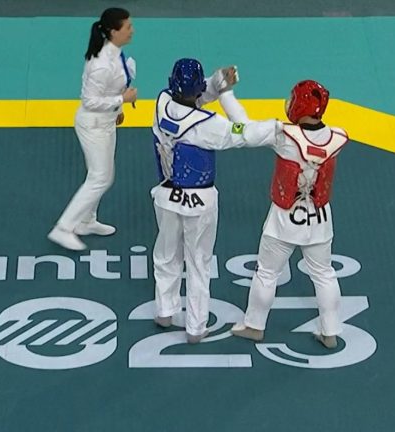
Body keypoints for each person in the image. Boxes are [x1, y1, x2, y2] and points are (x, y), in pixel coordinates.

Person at [151, 58, 283, 344]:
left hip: (166, 197)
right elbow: (245, 131)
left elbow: (192, 99)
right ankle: (195, 327)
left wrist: (216, 81)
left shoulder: (162, 103)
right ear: (198, 88)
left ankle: (164, 311)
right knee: (198, 263)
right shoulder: (211, 126)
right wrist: (227, 94)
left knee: (166, 255)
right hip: (199, 202)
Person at [230, 80, 348, 349]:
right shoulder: (338, 138)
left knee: (267, 273)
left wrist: (226, 95)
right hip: (319, 218)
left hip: (284, 219)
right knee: (324, 274)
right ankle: (330, 331)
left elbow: (245, 129)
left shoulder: (283, 136)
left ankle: (254, 325)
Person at [48, 7, 138, 251]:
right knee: (100, 177)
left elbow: (112, 89)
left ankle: (86, 221)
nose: (132, 30)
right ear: (113, 31)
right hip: (93, 125)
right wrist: (121, 101)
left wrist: (117, 110)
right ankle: (63, 228)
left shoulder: (115, 54)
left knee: (100, 175)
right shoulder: (101, 65)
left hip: (106, 121)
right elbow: (89, 101)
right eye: (127, 27)